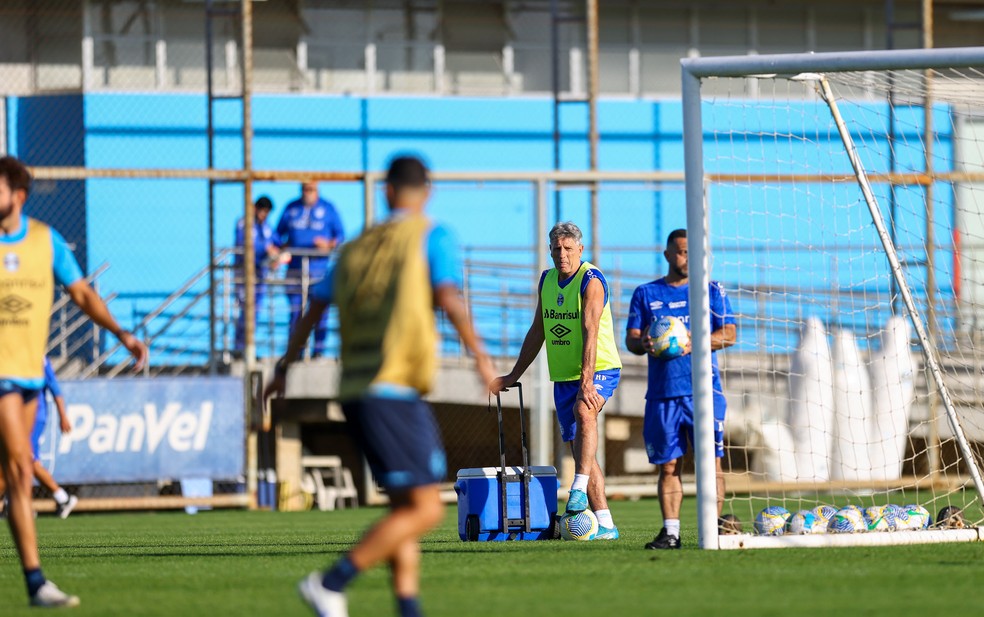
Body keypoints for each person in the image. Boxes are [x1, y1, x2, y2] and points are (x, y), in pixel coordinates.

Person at [265, 155, 494, 617]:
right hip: (392, 390)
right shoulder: (433, 234)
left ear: (385, 191)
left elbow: (314, 306)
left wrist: (285, 366)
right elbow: (447, 296)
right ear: (426, 192)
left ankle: (408, 608)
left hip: (353, 388)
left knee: (404, 508)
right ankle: (331, 582)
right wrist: (481, 359)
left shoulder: (354, 247)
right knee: (428, 510)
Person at [0, 155, 148, 607]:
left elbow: (81, 292)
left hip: (28, 374)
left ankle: (34, 585)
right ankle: (37, 580)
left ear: (18, 196)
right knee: (21, 467)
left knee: (17, 479)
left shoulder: (46, 242)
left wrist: (122, 334)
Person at [490, 221, 622, 540]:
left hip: (600, 368)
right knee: (581, 453)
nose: (561, 255)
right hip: (564, 376)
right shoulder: (547, 280)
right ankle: (605, 523)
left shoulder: (591, 281)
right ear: (549, 251)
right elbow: (539, 331)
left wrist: (588, 383)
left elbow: (591, 332)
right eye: (556, 249)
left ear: (580, 249)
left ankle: (575, 490)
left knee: (584, 411)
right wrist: (513, 375)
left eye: (567, 248)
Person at [625, 228, 736, 550]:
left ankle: (712, 529)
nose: (687, 258)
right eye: (682, 251)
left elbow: (729, 333)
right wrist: (643, 342)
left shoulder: (711, 290)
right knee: (669, 465)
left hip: (704, 393)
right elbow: (631, 339)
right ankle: (671, 532)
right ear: (668, 254)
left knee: (710, 462)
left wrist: (694, 343)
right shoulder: (646, 293)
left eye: (693, 252)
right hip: (662, 394)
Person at [0, 357, 78, 519]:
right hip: (15, 416)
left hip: (34, 416)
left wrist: (63, 416)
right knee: (21, 459)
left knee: (26, 458)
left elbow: (55, 388)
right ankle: (21, 503)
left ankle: (60, 497)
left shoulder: (38, 357)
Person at [275, 180, 344, 357]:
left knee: (321, 312)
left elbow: (340, 235)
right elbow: (277, 235)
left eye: (311, 189)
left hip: (319, 270)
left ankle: (318, 351)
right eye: (305, 189)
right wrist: (282, 248)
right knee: (296, 311)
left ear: (317, 190)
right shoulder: (291, 208)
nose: (308, 192)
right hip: (295, 270)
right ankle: (294, 352)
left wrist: (328, 244)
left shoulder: (328, 208)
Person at [234, 196, 281, 355]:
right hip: (244, 274)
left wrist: (276, 256)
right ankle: (240, 348)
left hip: (260, 275)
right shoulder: (244, 224)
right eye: (261, 210)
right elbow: (244, 245)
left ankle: (249, 349)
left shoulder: (267, 227)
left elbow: (277, 242)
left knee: (255, 312)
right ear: (255, 208)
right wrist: (266, 249)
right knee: (245, 311)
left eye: (266, 212)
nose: (263, 214)